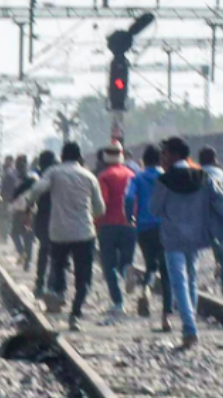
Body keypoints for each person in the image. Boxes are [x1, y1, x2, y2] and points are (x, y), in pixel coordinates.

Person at [150, 137, 223, 350]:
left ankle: (189, 328)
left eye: (164, 154)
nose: (162, 158)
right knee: (191, 280)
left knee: (179, 282)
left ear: (173, 155)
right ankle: (190, 326)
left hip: (173, 238)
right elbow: (221, 201)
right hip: (197, 237)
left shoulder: (164, 181)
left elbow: (154, 209)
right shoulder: (203, 176)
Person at [15, 141, 103, 331]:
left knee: (59, 265)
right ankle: (75, 314)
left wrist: (28, 208)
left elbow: (36, 191)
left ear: (62, 157)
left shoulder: (53, 173)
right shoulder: (89, 177)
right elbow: (100, 208)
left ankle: (60, 292)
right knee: (83, 276)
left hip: (59, 232)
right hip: (84, 232)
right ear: (80, 158)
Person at [126, 145, 167, 326]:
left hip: (143, 227)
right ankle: (166, 315)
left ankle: (146, 290)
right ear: (160, 160)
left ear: (143, 160)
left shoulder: (137, 177)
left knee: (150, 264)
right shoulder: (166, 177)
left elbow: (128, 198)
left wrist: (130, 216)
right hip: (165, 227)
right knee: (166, 269)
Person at [96, 143, 136, 316]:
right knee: (125, 260)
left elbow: (101, 203)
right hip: (130, 225)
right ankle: (127, 270)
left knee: (108, 264)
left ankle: (118, 302)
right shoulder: (131, 174)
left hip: (108, 225)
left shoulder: (104, 176)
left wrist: (96, 223)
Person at [198, 146, 223, 299]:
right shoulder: (219, 173)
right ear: (214, 159)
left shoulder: (195, 174)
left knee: (194, 255)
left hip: (199, 218)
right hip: (218, 218)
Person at [24, 151, 56, 292]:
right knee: (55, 252)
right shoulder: (56, 174)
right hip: (57, 216)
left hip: (43, 216)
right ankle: (51, 283)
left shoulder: (38, 175)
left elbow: (32, 197)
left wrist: (28, 214)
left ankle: (40, 283)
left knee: (43, 250)